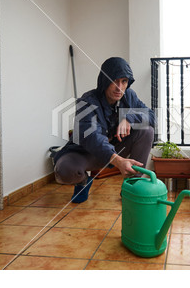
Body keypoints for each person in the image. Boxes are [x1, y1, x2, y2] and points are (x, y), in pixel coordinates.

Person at [53, 57, 155, 203]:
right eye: (114, 81)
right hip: (85, 153)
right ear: (104, 81)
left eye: (124, 81)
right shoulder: (87, 101)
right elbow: (91, 137)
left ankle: (131, 188)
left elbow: (152, 116)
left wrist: (129, 118)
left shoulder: (129, 96)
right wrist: (118, 160)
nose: (119, 87)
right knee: (64, 170)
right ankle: (83, 183)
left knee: (147, 130)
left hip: (115, 148)